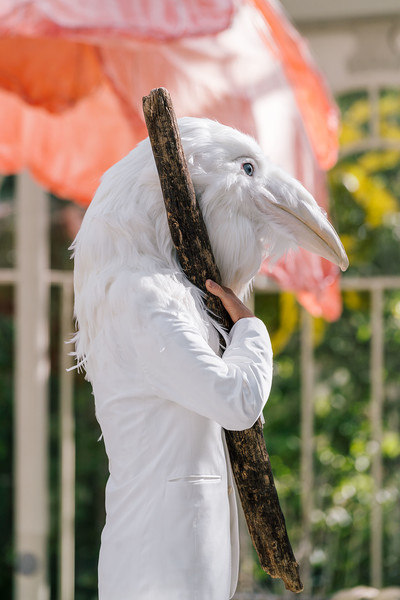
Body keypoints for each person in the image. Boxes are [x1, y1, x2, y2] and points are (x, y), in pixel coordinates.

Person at [83, 273, 273, 600]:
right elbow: (239, 401)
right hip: (159, 565)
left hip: (161, 559)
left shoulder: (142, 299)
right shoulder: (144, 299)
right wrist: (249, 327)